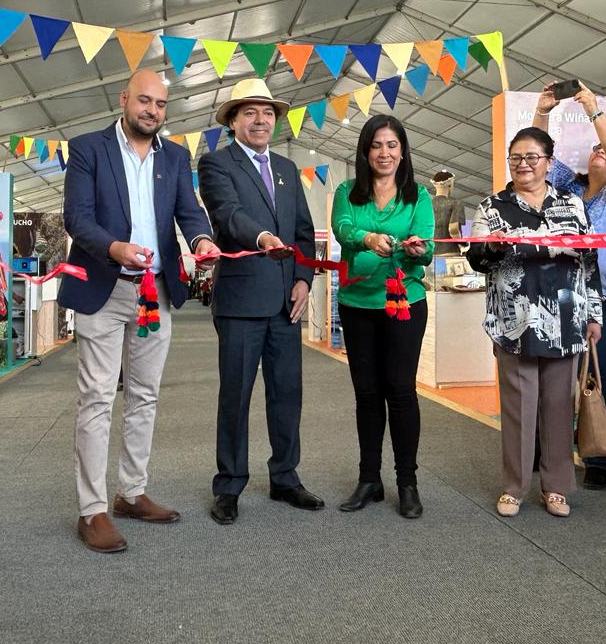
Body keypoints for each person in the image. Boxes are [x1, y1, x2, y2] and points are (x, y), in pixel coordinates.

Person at [59, 69, 216, 553]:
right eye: (145, 100)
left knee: (145, 395)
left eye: (161, 104)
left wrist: (201, 240)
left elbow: (189, 211)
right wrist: (115, 248)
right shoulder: (88, 148)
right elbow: (77, 217)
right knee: (97, 398)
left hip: (156, 292)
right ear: (124, 98)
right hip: (103, 288)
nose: (152, 110)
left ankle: (131, 492)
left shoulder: (176, 156)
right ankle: (92, 510)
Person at [197, 78, 320, 525]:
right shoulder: (215, 164)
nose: (260, 120)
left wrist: (304, 280)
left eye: (267, 113)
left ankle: (285, 477)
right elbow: (227, 214)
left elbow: (303, 231)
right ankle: (229, 484)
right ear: (232, 121)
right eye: (249, 112)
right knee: (236, 395)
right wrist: (263, 236)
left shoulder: (287, 168)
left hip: (286, 303)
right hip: (240, 302)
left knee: (287, 394)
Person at [467, 127, 602, 518]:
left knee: (559, 408)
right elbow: (477, 261)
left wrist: (594, 314)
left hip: (567, 320)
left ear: (548, 162)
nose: (523, 164)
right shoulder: (492, 207)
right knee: (518, 411)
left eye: (532, 157)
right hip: (514, 325)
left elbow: (589, 262)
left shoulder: (572, 206)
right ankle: (514, 488)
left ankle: (556, 488)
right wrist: (492, 246)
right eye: (516, 157)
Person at [533, 82, 606, 489]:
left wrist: (594, 110)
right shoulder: (567, 189)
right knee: (553, 371)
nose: (602, 151)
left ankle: (598, 457)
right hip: (559, 291)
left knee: (599, 371)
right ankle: (546, 449)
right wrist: (542, 111)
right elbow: (537, 158)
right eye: (596, 148)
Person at [330, 115, 434, 518]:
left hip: (404, 304)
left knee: (402, 392)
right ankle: (369, 479)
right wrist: (367, 238)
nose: (384, 153)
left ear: (402, 151)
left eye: (392, 145)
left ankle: (408, 483)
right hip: (357, 304)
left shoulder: (417, 195)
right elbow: (342, 228)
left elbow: (427, 248)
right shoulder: (347, 192)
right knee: (367, 394)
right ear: (365, 151)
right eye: (376, 145)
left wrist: (417, 249)